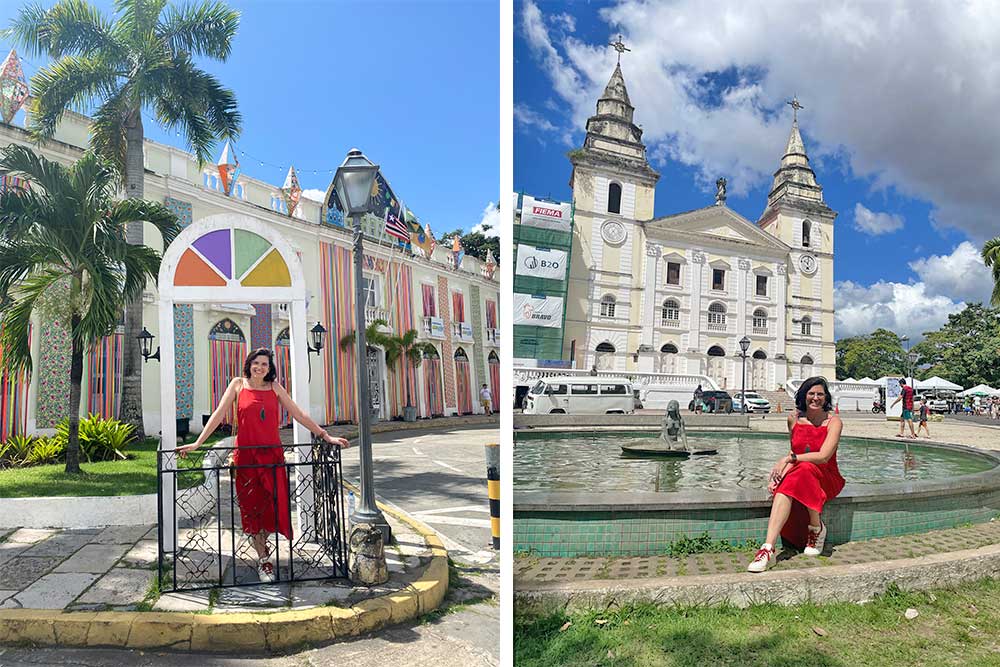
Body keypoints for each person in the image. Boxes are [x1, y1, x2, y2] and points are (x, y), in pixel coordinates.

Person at [176, 348, 349, 583]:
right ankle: (263, 557)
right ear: (249, 364)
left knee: (272, 508)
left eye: (265, 364)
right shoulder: (238, 385)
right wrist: (197, 443)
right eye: (256, 363)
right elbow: (218, 414)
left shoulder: (275, 387)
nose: (260, 367)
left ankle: (261, 541)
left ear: (270, 368)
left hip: (272, 459)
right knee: (252, 509)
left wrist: (325, 435)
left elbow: (298, 414)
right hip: (246, 459)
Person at [747, 376, 845, 572]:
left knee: (805, 469)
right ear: (803, 395)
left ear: (826, 398)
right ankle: (768, 548)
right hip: (802, 470)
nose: (815, 398)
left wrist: (787, 460)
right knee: (798, 474)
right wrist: (780, 474)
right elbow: (797, 452)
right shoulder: (793, 419)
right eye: (811, 394)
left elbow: (823, 456)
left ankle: (816, 528)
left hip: (827, 476)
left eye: (820, 394)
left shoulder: (834, 422)